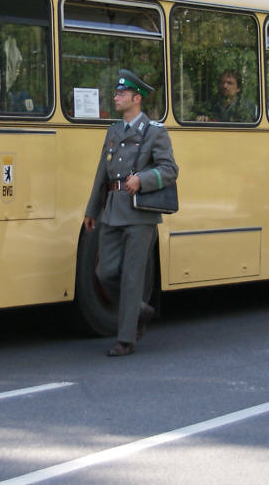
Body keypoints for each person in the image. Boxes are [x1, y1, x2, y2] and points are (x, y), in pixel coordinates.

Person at [83, 69, 178, 357]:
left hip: (140, 214)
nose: (116, 97)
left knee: (132, 276)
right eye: (116, 93)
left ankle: (126, 339)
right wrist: (92, 210)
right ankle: (139, 309)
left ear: (136, 99)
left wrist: (143, 179)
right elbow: (102, 173)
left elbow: (170, 170)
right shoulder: (113, 131)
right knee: (105, 271)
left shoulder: (155, 132)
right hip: (112, 210)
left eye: (122, 94)